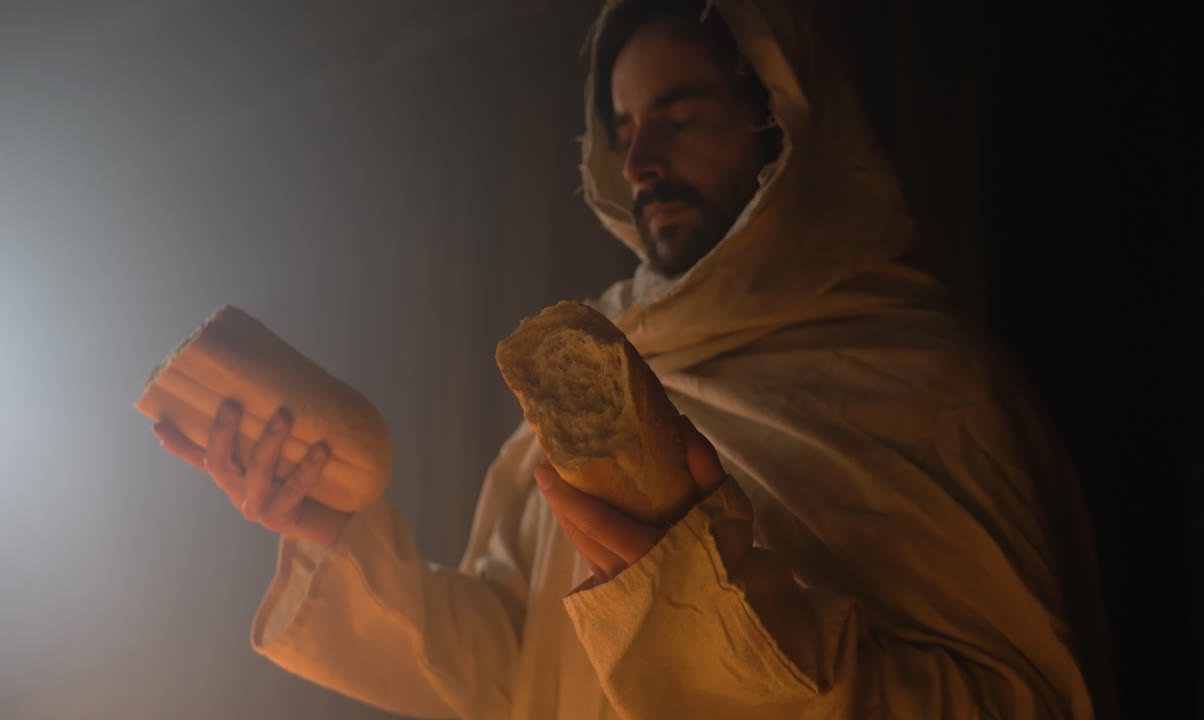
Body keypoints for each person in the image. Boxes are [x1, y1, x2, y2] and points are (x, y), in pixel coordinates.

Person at [153, 1, 1112, 718]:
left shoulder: (923, 383)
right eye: (622, 130)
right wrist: (336, 535)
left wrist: (706, 606)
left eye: (680, 114)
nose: (640, 158)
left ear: (779, 119)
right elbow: (510, 667)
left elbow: (1015, 702)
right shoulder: (599, 375)